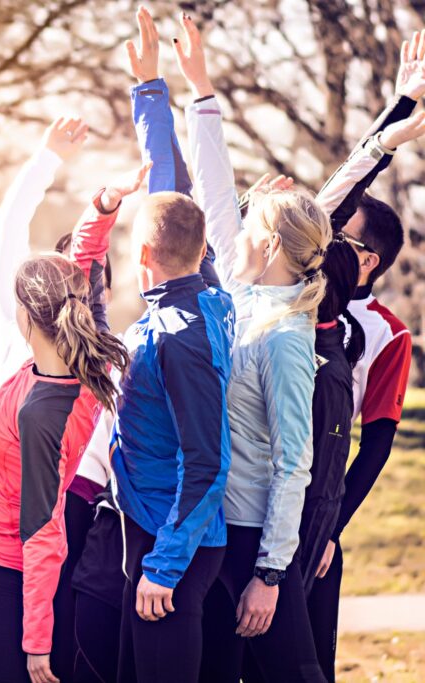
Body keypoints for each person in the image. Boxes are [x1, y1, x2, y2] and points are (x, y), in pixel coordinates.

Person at [175, 13, 331, 682]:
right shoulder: (242, 295)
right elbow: (214, 197)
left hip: (254, 544)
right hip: (215, 532)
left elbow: (294, 463)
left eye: (247, 223)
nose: (229, 231)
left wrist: (270, 573)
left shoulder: (286, 336)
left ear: (268, 247)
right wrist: (200, 91)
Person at [0, 140, 148, 682]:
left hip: (3, 567)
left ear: (25, 316)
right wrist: (105, 205)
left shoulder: (42, 410)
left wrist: (36, 640)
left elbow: (44, 532)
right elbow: (82, 265)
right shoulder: (73, 364)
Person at [71, 10, 199, 682]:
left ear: (143, 254)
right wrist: (150, 88)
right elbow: (169, 190)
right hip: (128, 528)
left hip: (161, 539)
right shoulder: (176, 305)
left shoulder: (177, 337)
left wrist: (165, 560)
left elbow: (204, 459)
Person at [305, 29, 425, 681]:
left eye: (341, 234)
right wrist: (398, 108)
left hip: (317, 522)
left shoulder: (387, 335)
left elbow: (375, 445)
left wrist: (330, 528)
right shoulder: (295, 292)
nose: (325, 234)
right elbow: (337, 191)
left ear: (366, 259)